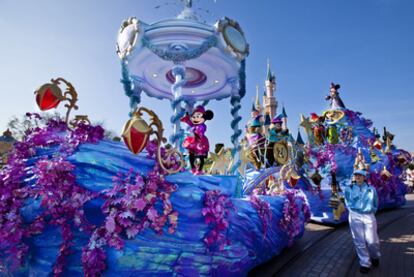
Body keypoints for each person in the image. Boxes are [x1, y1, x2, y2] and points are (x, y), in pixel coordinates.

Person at [344, 169, 380, 274]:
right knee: (359, 241)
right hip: (355, 214)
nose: (358, 177)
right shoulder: (349, 188)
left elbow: (376, 202)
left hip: (368, 215)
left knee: (372, 240)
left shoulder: (371, 189)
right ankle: (365, 263)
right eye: (356, 175)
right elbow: (346, 200)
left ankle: (375, 256)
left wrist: (372, 210)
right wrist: (351, 210)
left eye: (360, 175)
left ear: (364, 177)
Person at [180, 105, 214, 175]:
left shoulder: (202, 126)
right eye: (194, 117)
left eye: (198, 116)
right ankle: (193, 168)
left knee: (201, 156)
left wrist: (195, 132)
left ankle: (200, 169)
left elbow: (201, 130)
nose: (195, 118)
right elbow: (188, 121)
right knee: (191, 154)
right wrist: (186, 117)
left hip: (200, 141)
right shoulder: (193, 125)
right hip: (193, 141)